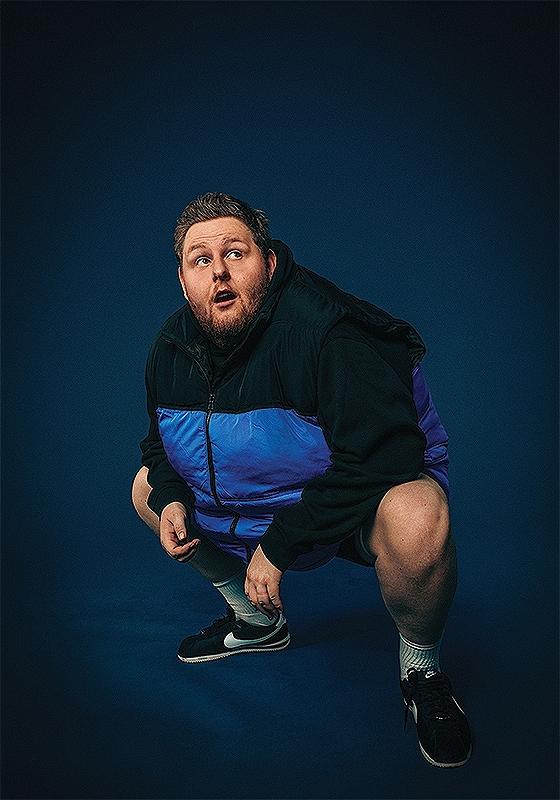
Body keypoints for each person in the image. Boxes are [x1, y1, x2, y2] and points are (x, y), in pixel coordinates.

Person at [131, 192, 472, 768]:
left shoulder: (326, 332)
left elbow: (387, 457)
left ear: (267, 262)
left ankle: (422, 671)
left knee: (419, 515)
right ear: (183, 278)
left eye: (235, 253)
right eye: (200, 258)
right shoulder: (171, 345)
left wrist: (281, 544)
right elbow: (159, 447)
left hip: (347, 505)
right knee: (144, 487)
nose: (219, 270)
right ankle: (256, 620)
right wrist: (168, 498)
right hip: (256, 504)